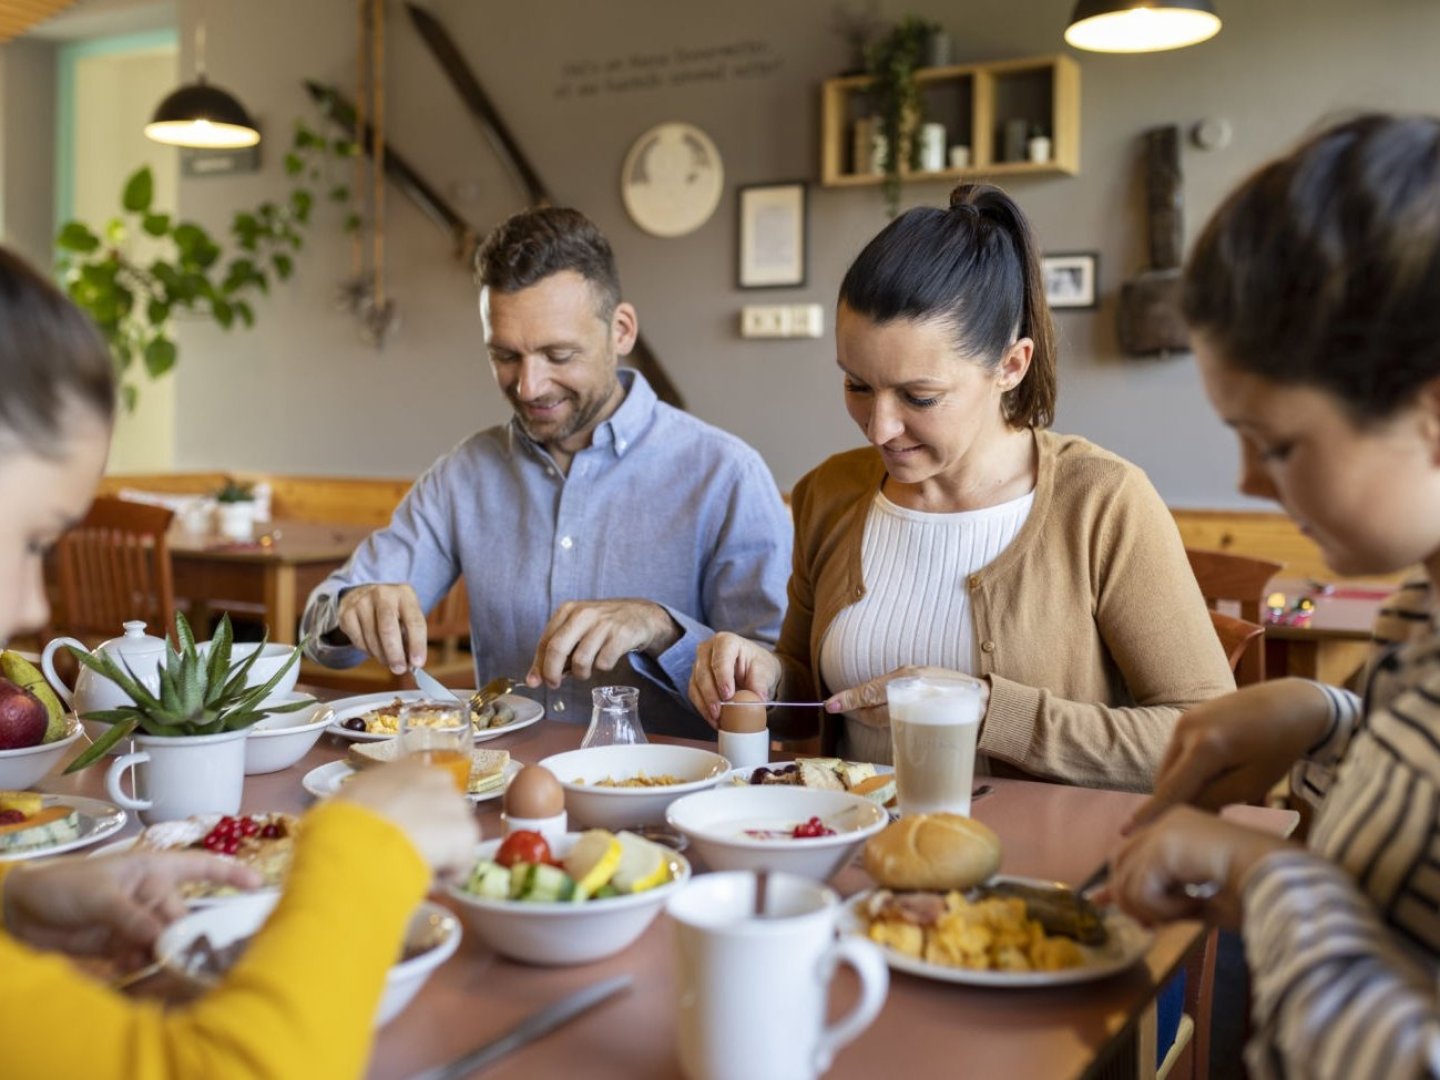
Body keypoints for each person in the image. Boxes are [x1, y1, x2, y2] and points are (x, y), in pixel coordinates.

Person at [0, 245, 479, 1076]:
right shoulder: (463, 476)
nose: (34, 610)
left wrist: (12, 906)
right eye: (36, 540)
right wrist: (360, 845)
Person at [690, 184, 1233, 790]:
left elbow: (1212, 737)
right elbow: (814, 690)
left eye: (920, 397)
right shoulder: (829, 492)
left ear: (1011, 365)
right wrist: (764, 674)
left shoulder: (1103, 503)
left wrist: (985, 710)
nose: (880, 427)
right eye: (857, 386)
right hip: (852, 852)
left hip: (1040, 870)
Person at [1105, 114, 1440, 1078]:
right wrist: (1325, 718)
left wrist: (1266, 879)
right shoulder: (1421, 606)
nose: (1248, 482)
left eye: (1279, 444)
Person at [302, 207, 791, 739]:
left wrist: (661, 629)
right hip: (497, 793)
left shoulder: (724, 474)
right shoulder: (463, 476)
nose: (529, 386)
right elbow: (319, 636)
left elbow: (780, 696)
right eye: (505, 355)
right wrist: (353, 606)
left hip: (669, 800)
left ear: (621, 330)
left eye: (558, 354)